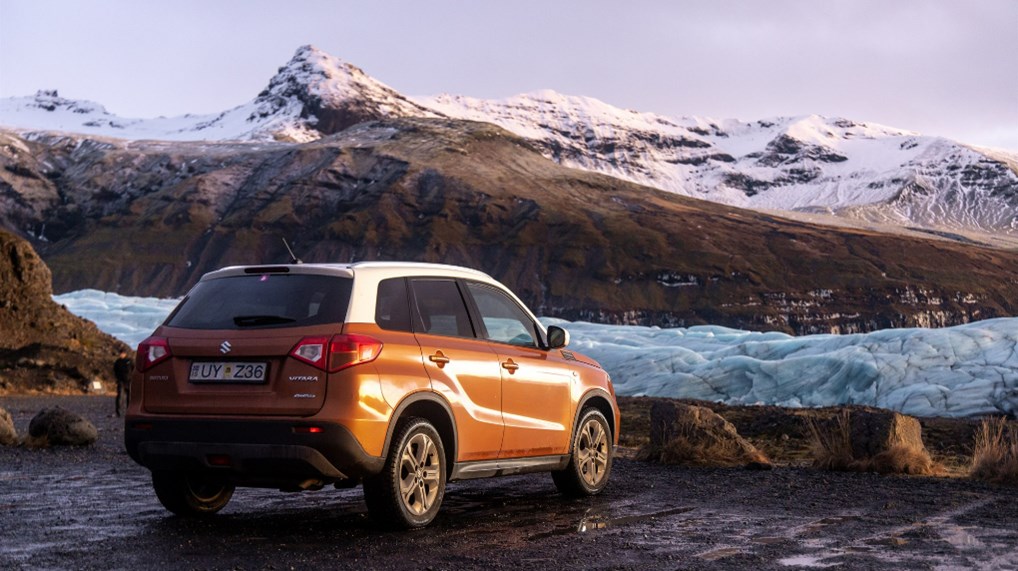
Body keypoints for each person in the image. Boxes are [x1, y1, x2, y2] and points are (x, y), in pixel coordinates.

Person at [113, 351, 133, 417]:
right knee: (120, 396)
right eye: (120, 353)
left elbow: (134, 369)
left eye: (122, 353)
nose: (121, 355)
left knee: (129, 396)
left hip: (128, 381)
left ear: (125, 354)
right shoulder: (117, 362)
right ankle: (118, 411)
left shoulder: (129, 361)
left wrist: (131, 377)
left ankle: (129, 411)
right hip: (121, 381)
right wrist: (117, 378)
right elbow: (115, 370)